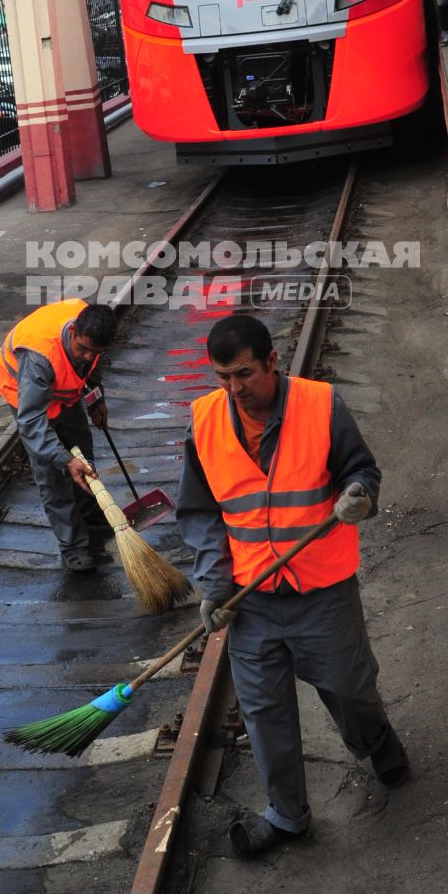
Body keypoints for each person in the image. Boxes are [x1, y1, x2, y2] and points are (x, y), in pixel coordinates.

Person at [176, 313, 408, 858]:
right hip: (251, 599)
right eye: (223, 377)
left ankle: (374, 740)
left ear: (272, 362)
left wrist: (357, 497)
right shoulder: (205, 422)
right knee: (264, 713)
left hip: (322, 592)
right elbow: (201, 511)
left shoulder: (321, 406)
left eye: (245, 374)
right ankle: (287, 815)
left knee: (350, 689)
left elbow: (362, 472)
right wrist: (214, 583)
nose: (235, 389)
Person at [0, 299, 117, 570]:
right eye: (82, 349)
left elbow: (91, 367)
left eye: (94, 351)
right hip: (26, 395)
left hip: (63, 391)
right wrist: (63, 458)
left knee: (82, 449)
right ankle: (72, 544)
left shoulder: (91, 330)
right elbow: (31, 420)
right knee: (51, 470)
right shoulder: (39, 355)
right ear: (73, 330)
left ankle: (90, 513)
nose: (87, 356)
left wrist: (96, 399)